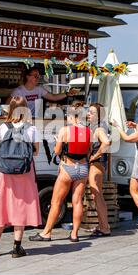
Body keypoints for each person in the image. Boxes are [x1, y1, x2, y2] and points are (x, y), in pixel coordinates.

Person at [0, 96, 42, 258]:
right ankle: (17, 247)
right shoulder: (32, 129)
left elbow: (2, 148)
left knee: (3, 205)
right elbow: (35, 152)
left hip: (5, 172)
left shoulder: (3, 127)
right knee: (21, 206)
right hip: (25, 172)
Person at [29, 102, 91, 242]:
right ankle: (74, 234)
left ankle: (46, 233)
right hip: (82, 168)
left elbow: (56, 152)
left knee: (56, 202)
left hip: (67, 168)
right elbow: (88, 151)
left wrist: (59, 142)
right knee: (77, 202)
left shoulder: (65, 130)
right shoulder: (88, 131)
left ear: (71, 116)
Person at [10, 67, 78, 117]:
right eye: (36, 76)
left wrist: (67, 94)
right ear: (28, 77)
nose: (38, 78)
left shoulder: (39, 89)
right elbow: (7, 106)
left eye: (38, 76)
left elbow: (53, 97)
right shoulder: (18, 91)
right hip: (21, 120)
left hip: (35, 120)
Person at [87, 103, 112, 236]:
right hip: (99, 163)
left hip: (96, 163)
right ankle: (103, 225)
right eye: (88, 111)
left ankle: (105, 228)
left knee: (97, 194)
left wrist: (94, 156)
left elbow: (107, 143)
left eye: (91, 112)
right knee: (97, 195)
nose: (88, 114)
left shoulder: (99, 128)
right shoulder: (99, 126)